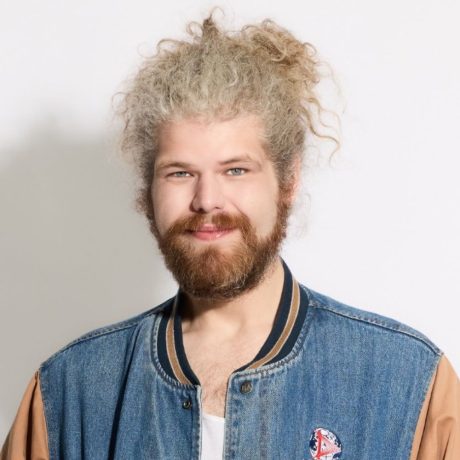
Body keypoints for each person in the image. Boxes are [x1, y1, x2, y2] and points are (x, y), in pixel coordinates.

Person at [1, 11, 459, 460]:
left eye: (235, 170)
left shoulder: (409, 385)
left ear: (288, 180)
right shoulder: (69, 392)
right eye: (180, 173)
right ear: (147, 190)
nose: (207, 201)